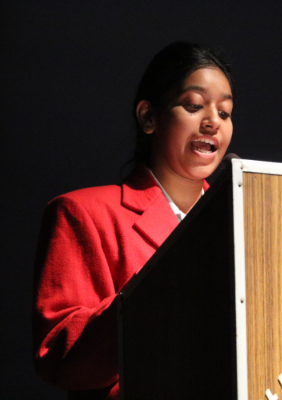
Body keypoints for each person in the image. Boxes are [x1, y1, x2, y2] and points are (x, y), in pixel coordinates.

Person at [32, 41, 234, 400]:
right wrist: (150, 298)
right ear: (148, 117)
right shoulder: (82, 213)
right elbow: (60, 359)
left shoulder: (241, 222)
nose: (212, 122)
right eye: (193, 105)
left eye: (225, 112)